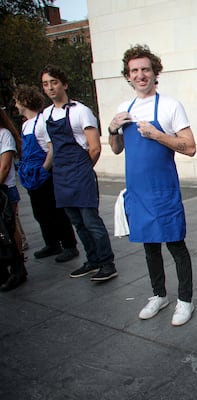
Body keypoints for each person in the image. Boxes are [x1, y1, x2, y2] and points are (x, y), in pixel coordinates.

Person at [108, 45, 196, 326]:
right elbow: (116, 149)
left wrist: (157, 135)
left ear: (155, 72)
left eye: (145, 69)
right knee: (149, 247)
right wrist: (112, 129)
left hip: (163, 190)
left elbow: (190, 147)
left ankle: (185, 300)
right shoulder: (125, 109)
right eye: (134, 71)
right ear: (128, 76)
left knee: (176, 246)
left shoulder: (170, 106)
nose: (140, 74)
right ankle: (159, 295)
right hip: (138, 192)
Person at [40, 65, 117, 282]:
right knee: (77, 222)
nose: (50, 88)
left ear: (64, 84)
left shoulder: (80, 111)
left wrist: (83, 170)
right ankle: (92, 261)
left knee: (91, 221)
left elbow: (95, 147)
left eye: (54, 82)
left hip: (80, 173)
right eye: (45, 84)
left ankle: (107, 263)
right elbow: (53, 147)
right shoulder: (46, 115)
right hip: (61, 175)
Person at [13, 85, 79, 264]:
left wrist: (43, 170)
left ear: (25, 101)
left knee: (56, 212)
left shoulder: (42, 122)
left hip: (44, 175)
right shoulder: (26, 124)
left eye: (17, 101)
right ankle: (51, 243)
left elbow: (52, 149)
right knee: (40, 213)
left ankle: (69, 245)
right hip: (32, 176)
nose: (16, 105)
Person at [0, 107, 27, 291]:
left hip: (5, 190)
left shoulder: (4, 135)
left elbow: (5, 167)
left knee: (10, 230)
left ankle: (18, 268)